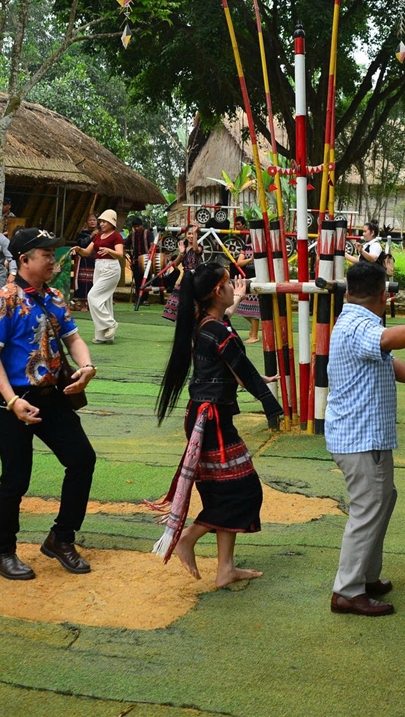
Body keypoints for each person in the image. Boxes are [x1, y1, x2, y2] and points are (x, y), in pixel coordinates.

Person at [326, 261, 405, 615]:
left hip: (360, 435)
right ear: (384, 296)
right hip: (360, 438)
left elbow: (385, 355)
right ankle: (348, 590)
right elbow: (384, 341)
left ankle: (365, 577)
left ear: (349, 290)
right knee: (369, 509)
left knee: (381, 501)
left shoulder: (353, 319)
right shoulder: (360, 325)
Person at [0, 227, 99, 581]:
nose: (52, 259)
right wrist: (12, 400)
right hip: (12, 402)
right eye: (45, 254)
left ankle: (61, 538)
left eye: (52, 252)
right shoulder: (3, 300)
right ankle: (1, 553)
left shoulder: (56, 296)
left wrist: (87, 366)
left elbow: (73, 338)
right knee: (15, 479)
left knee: (82, 460)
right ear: (24, 260)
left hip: (52, 398)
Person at [151, 262, 283, 588]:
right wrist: (271, 405)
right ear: (216, 291)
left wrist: (234, 301)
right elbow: (246, 372)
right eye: (227, 284)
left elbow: (235, 363)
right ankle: (188, 538)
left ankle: (225, 568)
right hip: (212, 422)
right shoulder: (218, 330)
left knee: (223, 490)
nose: (231, 287)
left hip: (206, 417)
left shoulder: (206, 323)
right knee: (244, 490)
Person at [75, 209, 125, 344]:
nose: (101, 224)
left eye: (104, 221)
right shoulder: (98, 236)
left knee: (92, 296)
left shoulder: (116, 236)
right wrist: (79, 249)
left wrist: (109, 250)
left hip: (111, 268)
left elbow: (120, 254)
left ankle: (110, 323)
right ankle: (102, 336)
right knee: (104, 300)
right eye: (101, 221)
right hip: (98, 267)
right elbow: (87, 252)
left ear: (111, 222)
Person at [231, 214, 263, 343]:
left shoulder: (263, 247)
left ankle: (254, 335)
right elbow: (239, 263)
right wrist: (251, 259)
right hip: (247, 278)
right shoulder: (246, 247)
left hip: (258, 278)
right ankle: (253, 330)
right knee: (241, 305)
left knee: (253, 307)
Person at [162, 225, 203, 320]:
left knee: (193, 301)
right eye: (189, 234)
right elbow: (175, 264)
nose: (191, 236)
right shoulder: (183, 248)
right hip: (185, 276)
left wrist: (195, 234)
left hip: (195, 277)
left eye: (193, 234)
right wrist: (181, 253)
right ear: (185, 235)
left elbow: (196, 249)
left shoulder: (199, 247)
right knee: (176, 299)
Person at [71, 214, 98, 310]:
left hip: (95, 260)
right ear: (86, 222)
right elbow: (82, 244)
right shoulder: (82, 234)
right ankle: (83, 304)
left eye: (94, 220)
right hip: (84, 260)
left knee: (94, 281)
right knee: (83, 280)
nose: (92, 222)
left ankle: (92, 304)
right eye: (90, 220)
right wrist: (91, 236)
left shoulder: (101, 233)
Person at [126, 214, 153, 303]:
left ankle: (145, 298)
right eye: (135, 227)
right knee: (138, 280)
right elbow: (125, 243)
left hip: (146, 261)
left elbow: (152, 244)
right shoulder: (132, 235)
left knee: (146, 279)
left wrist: (150, 251)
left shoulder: (148, 233)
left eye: (138, 226)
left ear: (142, 225)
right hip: (136, 261)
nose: (137, 228)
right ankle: (139, 298)